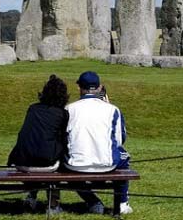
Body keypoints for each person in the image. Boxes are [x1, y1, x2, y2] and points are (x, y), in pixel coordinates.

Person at [64, 71, 132, 215]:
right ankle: (122, 202)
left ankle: (93, 202)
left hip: (75, 164)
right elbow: (120, 139)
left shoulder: (69, 109)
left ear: (79, 88)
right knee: (125, 156)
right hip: (107, 164)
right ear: (100, 88)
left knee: (65, 166)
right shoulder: (112, 109)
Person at [7, 75, 69, 215]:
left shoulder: (33, 109)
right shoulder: (62, 114)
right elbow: (63, 139)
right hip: (47, 166)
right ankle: (53, 205)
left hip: (21, 163)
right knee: (58, 160)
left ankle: (31, 197)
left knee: (38, 152)